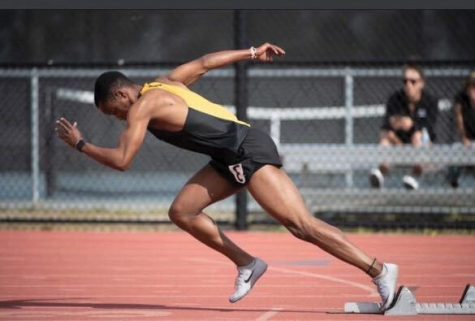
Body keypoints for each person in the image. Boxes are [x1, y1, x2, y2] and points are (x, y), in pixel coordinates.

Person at [55, 43, 398, 310]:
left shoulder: (144, 106)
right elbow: (205, 63)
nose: (118, 118)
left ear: (121, 95)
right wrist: (251, 52)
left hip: (246, 150)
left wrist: (81, 144)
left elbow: (123, 160)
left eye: (113, 112)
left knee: (301, 225)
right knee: (182, 212)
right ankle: (247, 264)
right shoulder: (167, 81)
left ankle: (379, 271)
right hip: (226, 158)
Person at [369, 65, 439, 190]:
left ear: (421, 84)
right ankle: (380, 175)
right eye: (405, 81)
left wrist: (412, 125)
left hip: (421, 145)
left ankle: (413, 177)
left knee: (419, 136)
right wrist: (399, 145)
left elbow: (428, 128)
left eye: (413, 82)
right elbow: (387, 126)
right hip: (398, 143)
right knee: (385, 140)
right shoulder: (395, 99)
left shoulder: (430, 101)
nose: (408, 85)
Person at [448, 72, 475, 188]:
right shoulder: (461, 99)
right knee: (455, 150)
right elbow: (459, 121)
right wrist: (465, 139)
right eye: (471, 87)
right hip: (467, 140)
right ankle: (453, 183)